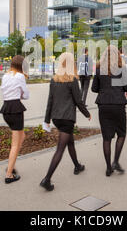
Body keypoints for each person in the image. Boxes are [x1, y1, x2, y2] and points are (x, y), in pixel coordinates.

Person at [40, 52, 91, 191]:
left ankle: (77, 166)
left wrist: (47, 120)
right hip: (67, 118)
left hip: (57, 118)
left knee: (70, 142)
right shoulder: (72, 80)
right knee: (60, 150)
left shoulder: (54, 80)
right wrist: (87, 114)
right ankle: (47, 179)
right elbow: (78, 101)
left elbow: (50, 101)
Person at [92, 45, 127, 176]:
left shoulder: (99, 70)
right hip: (118, 105)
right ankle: (115, 161)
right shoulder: (121, 69)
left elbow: (94, 88)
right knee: (121, 134)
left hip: (103, 105)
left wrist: (104, 88)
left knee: (106, 138)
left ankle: (108, 168)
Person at [0, 55, 29, 184]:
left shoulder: (5, 76)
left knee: (22, 137)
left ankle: (11, 165)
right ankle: (9, 175)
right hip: (16, 109)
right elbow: (26, 95)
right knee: (15, 143)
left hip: (6, 109)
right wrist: (20, 94)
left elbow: (5, 91)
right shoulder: (20, 76)